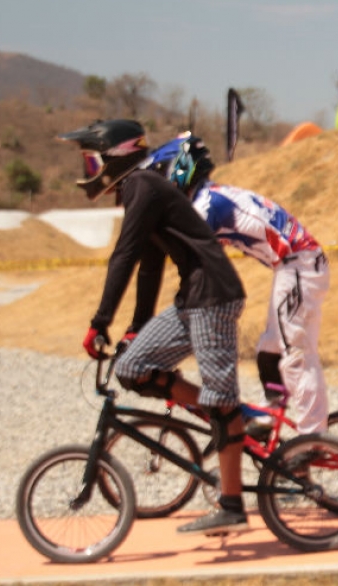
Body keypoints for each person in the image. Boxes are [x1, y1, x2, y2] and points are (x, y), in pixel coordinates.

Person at [59, 119, 250, 536]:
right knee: (133, 367)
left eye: (94, 159)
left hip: (213, 295)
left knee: (221, 403)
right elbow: (148, 264)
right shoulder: (142, 189)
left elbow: (124, 256)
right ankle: (230, 417)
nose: (91, 169)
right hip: (192, 299)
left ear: (116, 155)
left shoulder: (142, 186)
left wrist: (99, 322)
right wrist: (134, 329)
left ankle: (232, 501)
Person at [142, 133, 331, 437]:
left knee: (296, 354)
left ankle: (313, 438)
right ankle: (271, 419)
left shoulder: (208, 204)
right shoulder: (213, 196)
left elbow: (191, 257)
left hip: (299, 264)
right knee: (269, 352)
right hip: (293, 265)